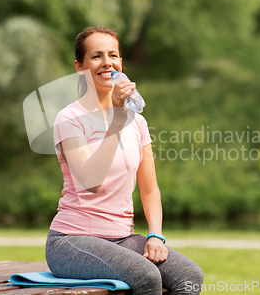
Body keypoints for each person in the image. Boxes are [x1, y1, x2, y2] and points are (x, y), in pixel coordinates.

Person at [45, 27, 204, 295]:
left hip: (123, 238)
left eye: (113, 55)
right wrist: (118, 118)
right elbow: (91, 181)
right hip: (72, 240)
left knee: (190, 276)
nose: (107, 62)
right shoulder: (69, 119)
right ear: (79, 66)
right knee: (146, 276)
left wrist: (155, 235)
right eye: (96, 56)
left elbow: (150, 188)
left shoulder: (137, 121)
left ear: (121, 64)